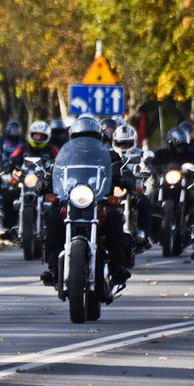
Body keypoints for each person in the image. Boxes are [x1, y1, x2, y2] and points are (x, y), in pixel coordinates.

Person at [40, 116, 133, 287]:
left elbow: (122, 169)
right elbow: (54, 170)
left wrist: (126, 178)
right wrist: (44, 181)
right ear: (73, 138)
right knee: (53, 217)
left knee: (114, 217)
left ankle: (117, 267)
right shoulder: (66, 154)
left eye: (89, 137)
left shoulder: (108, 154)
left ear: (97, 138)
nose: (85, 142)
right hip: (71, 201)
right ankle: (53, 268)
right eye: (80, 138)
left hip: (99, 201)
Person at [0, 120, 58, 240]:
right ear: (31, 135)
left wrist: (55, 169)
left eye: (41, 136)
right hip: (25, 182)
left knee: (58, 202)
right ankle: (9, 228)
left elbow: (61, 160)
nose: (38, 137)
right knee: (8, 196)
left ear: (47, 137)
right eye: (36, 135)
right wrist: (9, 165)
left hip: (45, 184)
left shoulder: (52, 150)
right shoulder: (23, 148)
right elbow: (13, 158)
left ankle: (56, 231)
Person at [112, 122, 153, 247]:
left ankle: (144, 235)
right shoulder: (109, 154)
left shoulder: (140, 154)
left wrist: (146, 171)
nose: (124, 146)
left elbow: (146, 167)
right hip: (113, 189)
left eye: (127, 143)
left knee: (144, 202)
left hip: (133, 189)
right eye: (121, 143)